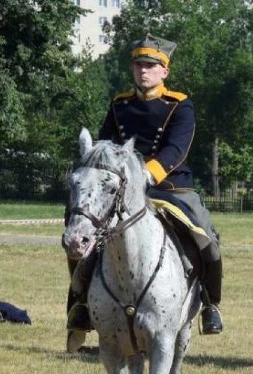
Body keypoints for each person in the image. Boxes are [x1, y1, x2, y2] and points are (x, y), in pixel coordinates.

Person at [65, 34, 224, 353]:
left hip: (169, 186)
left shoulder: (180, 104)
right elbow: (104, 146)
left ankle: (210, 304)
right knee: (80, 229)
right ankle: (80, 304)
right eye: (139, 64)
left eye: (151, 65)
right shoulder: (119, 104)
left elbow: (177, 148)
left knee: (206, 236)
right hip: (119, 189)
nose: (143, 71)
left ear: (164, 71)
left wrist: (146, 175)